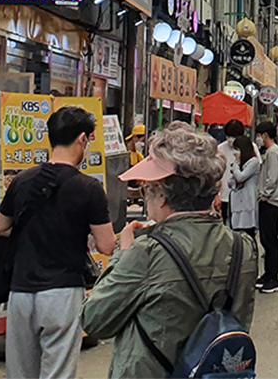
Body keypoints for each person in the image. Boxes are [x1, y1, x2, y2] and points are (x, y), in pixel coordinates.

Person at [82, 124, 257, 378]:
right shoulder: (243, 248)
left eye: (147, 189)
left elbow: (95, 320)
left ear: (162, 194)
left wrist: (123, 254)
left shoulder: (148, 251)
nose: (145, 195)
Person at [0, 106, 115, 379]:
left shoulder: (22, 180)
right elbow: (107, 245)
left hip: (20, 291)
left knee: (20, 372)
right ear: (83, 139)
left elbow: (0, 227)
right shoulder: (89, 188)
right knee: (57, 372)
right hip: (62, 291)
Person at [255, 121, 278, 293]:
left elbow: (272, 178)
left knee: (270, 241)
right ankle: (267, 275)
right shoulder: (270, 152)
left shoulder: (274, 153)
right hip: (268, 201)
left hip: (270, 202)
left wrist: (264, 195)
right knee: (266, 240)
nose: (258, 139)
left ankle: (273, 279)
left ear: (265, 135)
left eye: (259, 135)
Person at [226, 128, 261, 237]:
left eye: (237, 149)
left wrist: (236, 164)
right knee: (236, 233)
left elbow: (241, 177)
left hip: (248, 202)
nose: (235, 152)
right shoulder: (239, 164)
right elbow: (231, 182)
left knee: (248, 233)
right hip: (237, 202)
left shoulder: (253, 162)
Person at [216, 120, 243, 226]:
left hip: (242, 197)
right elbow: (216, 172)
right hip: (224, 195)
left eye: (233, 136)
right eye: (228, 136)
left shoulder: (250, 148)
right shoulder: (220, 149)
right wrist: (217, 194)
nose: (230, 139)